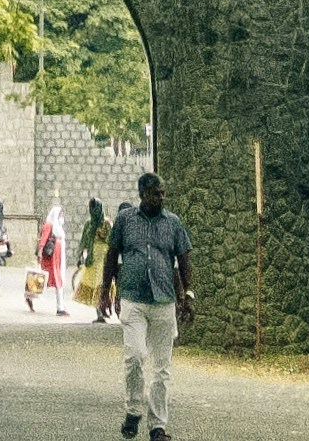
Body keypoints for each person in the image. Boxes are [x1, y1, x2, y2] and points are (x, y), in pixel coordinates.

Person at [107, 170, 192, 441]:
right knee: (135, 356)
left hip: (164, 301)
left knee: (162, 367)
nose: (161, 197)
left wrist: (187, 295)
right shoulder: (124, 221)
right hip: (133, 298)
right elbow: (111, 254)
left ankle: (158, 426)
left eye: (163, 193)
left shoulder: (173, 223)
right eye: (157, 193)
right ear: (143, 194)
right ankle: (133, 409)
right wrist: (104, 291)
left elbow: (184, 259)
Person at [28, 205, 66, 314]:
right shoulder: (49, 225)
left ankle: (61, 307)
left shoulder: (57, 226)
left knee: (50, 281)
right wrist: (40, 252)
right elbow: (43, 239)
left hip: (57, 258)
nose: (62, 216)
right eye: (60, 214)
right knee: (44, 279)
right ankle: (30, 296)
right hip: (50, 258)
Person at [83, 194, 114, 320]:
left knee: (104, 283)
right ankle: (99, 312)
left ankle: (104, 309)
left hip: (104, 256)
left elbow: (111, 240)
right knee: (96, 284)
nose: (93, 210)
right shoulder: (89, 224)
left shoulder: (107, 223)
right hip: (93, 257)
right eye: (91, 207)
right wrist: (83, 254)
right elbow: (85, 240)